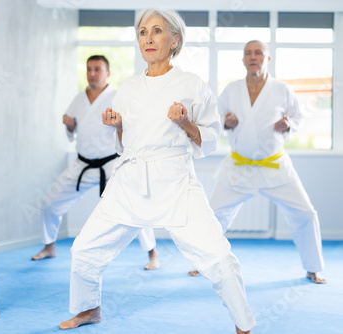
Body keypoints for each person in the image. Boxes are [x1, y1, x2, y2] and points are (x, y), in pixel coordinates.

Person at [59, 9, 255, 334]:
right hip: (130, 179)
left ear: (174, 39)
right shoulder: (129, 88)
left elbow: (210, 140)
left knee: (218, 257)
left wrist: (184, 122)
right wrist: (118, 125)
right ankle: (88, 308)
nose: (148, 38)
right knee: (84, 248)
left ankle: (243, 324)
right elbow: (124, 144)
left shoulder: (191, 84)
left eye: (157, 31)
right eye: (142, 32)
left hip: (174, 180)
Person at [187, 40, 326, 284]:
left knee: (305, 213)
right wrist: (225, 123)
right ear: (243, 60)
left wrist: (289, 125)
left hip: (275, 167)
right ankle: (204, 263)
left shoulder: (282, 89)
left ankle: (313, 267)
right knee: (213, 215)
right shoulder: (231, 89)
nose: (253, 57)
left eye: (258, 53)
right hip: (239, 168)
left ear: (267, 59)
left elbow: (297, 116)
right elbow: (214, 118)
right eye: (248, 53)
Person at [32, 55, 160, 270]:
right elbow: (72, 131)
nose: (92, 73)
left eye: (97, 69)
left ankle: (153, 254)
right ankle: (49, 246)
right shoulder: (78, 99)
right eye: (89, 69)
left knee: (134, 204)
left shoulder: (118, 97)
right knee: (49, 204)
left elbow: (131, 130)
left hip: (111, 164)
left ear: (107, 73)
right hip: (82, 164)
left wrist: (119, 124)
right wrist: (70, 125)